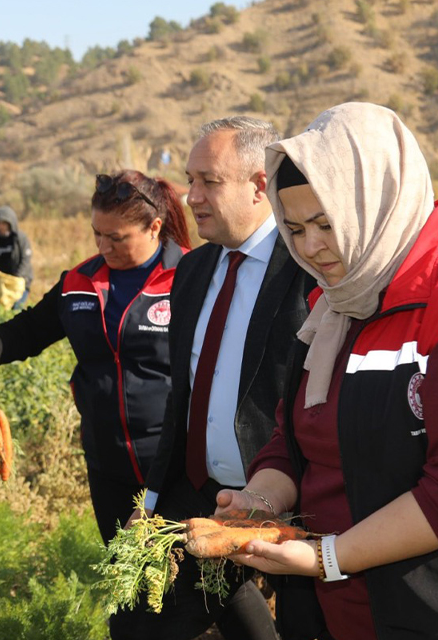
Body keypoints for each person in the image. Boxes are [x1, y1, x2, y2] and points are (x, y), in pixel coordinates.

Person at [222, 102, 438, 640]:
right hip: (344, 616)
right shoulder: (339, 302)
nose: (311, 248)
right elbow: (294, 437)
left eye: (325, 223)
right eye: (294, 229)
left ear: (377, 199)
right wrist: (260, 501)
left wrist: (327, 557)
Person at [130, 116, 314, 640]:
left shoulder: (306, 267)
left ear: (260, 185)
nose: (191, 197)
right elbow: (181, 397)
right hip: (198, 491)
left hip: (281, 496)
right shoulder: (192, 271)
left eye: (209, 181)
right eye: (191, 180)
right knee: (140, 622)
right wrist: (151, 500)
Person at [0, 170, 191, 548]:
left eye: (116, 238)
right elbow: (31, 328)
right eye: (97, 233)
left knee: (199, 585)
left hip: (178, 465)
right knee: (123, 572)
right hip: (107, 463)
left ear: (154, 228)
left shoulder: (191, 277)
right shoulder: (79, 282)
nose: (104, 247)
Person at [0, 205, 33, 310]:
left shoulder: (20, 238)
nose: (0, 227)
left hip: (20, 282)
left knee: (15, 311)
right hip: (2, 283)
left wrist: (16, 278)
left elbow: (26, 260)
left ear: (11, 223)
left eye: (4, 223)